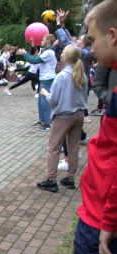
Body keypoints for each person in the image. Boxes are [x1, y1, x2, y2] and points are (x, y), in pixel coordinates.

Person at [59, 0, 117, 254]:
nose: (91, 49)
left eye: (93, 40)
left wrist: (109, 220)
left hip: (103, 223)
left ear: (113, 35)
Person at [36, 45, 88, 192]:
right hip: (79, 115)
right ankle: (70, 178)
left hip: (64, 115)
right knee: (73, 147)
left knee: (54, 147)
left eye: (63, 53)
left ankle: (51, 180)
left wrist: (45, 93)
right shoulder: (82, 75)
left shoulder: (61, 76)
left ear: (65, 57)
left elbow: (53, 100)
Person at [17, 34, 58, 131]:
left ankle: (49, 122)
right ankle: (43, 120)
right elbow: (35, 59)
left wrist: (24, 53)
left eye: (43, 39)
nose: (41, 41)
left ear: (48, 41)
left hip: (48, 80)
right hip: (44, 79)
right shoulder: (46, 52)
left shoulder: (49, 53)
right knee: (41, 102)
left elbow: (34, 60)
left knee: (45, 102)